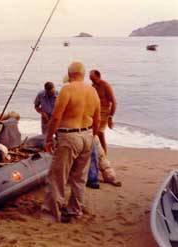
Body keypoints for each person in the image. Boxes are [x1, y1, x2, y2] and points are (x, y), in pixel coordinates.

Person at [43, 62, 101, 223]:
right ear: (83, 74)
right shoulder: (93, 91)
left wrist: (48, 138)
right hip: (88, 135)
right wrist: (91, 136)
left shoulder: (67, 89)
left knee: (57, 176)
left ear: (69, 74)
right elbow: (97, 119)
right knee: (79, 177)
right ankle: (75, 210)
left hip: (69, 136)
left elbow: (56, 116)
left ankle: (51, 212)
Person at [89, 70, 117, 155]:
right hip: (95, 111)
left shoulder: (105, 85)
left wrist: (110, 117)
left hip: (105, 112)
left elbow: (114, 102)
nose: (92, 81)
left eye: (93, 79)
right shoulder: (93, 86)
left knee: (100, 132)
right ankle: (98, 154)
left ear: (98, 76)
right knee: (94, 133)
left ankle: (104, 155)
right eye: (91, 79)